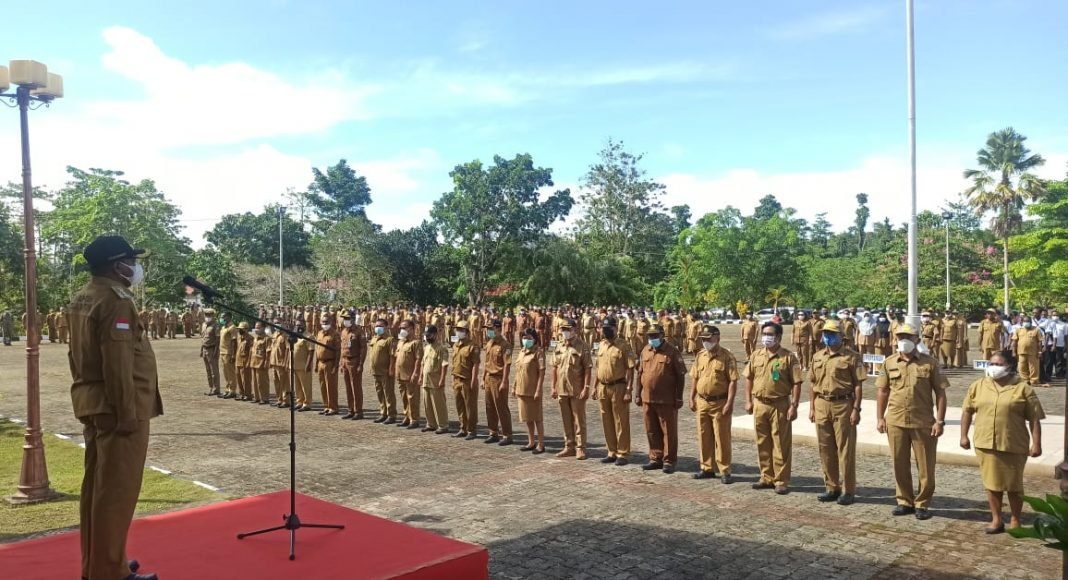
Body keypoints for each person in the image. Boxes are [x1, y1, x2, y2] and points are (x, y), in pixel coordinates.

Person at [67, 235, 161, 580]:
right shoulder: (115, 301)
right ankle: (109, 573)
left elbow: (75, 357)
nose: (136, 268)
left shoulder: (83, 297)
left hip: (93, 403)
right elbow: (117, 363)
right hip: (120, 408)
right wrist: (126, 414)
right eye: (131, 262)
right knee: (115, 494)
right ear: (116, 264)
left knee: (97, 490)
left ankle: (102, 564)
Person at [960, 350, 1045, 534]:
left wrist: (1036, 443)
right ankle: (996, 519)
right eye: (991, 363)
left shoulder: (1023, 388)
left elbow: (1034, 419)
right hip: (985, 443)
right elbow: (967, 411)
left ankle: (1015, 519)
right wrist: (964, 435)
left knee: (1013, 485)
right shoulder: (978, 386)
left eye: (998, 364)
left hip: (1013, 443)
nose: (993, 368)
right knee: (992, 484)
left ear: (1009, 367)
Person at [875, 323, 948, 520]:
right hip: (896, 420)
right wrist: (880, 418)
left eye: (908, 336)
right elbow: (882, 391)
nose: (903, 340)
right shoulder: (889, 362)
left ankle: (922, 503)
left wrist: (939, 421)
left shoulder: (930, 363)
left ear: (917, 339)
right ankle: (904, 500)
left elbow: (941, 393)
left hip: (922, 422)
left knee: (925, 466)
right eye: (900, 337)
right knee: (899, 462)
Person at [808, 320, 865, 506]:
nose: (828, 336)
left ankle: (848, 490)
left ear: (842, 336)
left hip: (844, 404)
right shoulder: (817, 356)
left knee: (845, 450)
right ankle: (831, 487)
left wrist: (856, 408)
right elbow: (813, 384)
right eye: (826, 333)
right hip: (822, 403)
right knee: (825, 449)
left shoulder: (852, 357)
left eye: (832, 333)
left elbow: (858, 385)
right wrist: (811, 407)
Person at [745, 321, 803, 494]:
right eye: (764, 334)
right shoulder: (756, 355)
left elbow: (797, 383)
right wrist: (748, 401)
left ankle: (781, 480)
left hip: (780, 404)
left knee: (781, 444)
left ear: (778, 337)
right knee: (762, 442)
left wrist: (794, 405)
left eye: (770, 334)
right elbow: (749, 378)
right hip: (760, 404)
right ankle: (766, 476)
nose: (766, 337)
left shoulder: (788, 357)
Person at [636, 323, 687, 473]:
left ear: (662, 335)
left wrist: (679, 397)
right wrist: (637, 394)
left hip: (667, 399)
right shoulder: (645, 350)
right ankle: (655, 458)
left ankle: (669, 460)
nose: (652, 339)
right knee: (651, 430)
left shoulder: (672, 351)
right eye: (650, 336)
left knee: (668, 431)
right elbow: (640, 374)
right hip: (648, 398)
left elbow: (681, 376)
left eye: (654, 336)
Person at [689, 325, 737, 483]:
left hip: (719, 403)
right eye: (703, 339)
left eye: (708, 338)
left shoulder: (727, 356)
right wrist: (692, 396)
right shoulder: (700, 355)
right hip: (702, 401)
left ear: (717, 337)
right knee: (704, 436)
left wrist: (729, 402)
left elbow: (732, 381)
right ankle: (706, 467)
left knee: (721, 438)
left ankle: (724, 470)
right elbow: (695, 377)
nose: (705, 342)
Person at [594, 321, 635, 466]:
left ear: (616, 328)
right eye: (604, 329)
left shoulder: (623, 345)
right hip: (603, 387)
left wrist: (629, 390)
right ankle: (611, 451)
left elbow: (630, 369)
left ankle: (622, 453)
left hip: (618, 387)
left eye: (609, 328)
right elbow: (598, 368)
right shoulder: (602, 345)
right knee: (607, 420)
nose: (606, 332)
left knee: (620, 421)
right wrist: (594, 387)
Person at [551, 319, 592, 459]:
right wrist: (553, 386)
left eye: (568, 329)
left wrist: (586, 387)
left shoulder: (582, 346)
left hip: (576, 389)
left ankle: (580, 447)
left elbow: (587, 368)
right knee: (566, 418)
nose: (565, 332)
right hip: (562, 388)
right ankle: (569, 445)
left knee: (579, 419)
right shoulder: (559, 346)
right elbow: (555, 367)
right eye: (563, 329)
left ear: (575, 330)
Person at [513, 328, 546, 453]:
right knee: (527, 418)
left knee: (537, 418)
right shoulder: (522, 351)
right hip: (522, 389)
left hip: (533, 390)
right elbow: (518, 371)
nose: (526, 340)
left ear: (534, 339)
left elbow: (542, 372)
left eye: (529, 338)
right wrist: (514, 386)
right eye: (524, 338)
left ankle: (541, 444)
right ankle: (531, 442)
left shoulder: (538, 352)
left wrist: (538, 390)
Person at [482, 319, 514, 444]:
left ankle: (507, 435)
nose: (488, 331)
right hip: (489, 377)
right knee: (489, 407)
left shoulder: (506, 345)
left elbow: (507, 365)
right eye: (487, 329)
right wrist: (483, 377)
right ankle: (493, 432)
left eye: (491, 329)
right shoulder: (489, 343)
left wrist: (505, 381)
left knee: (501, 407)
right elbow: (486, 362)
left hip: (499, 378)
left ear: (498, 329)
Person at [451, 321, 481, 439]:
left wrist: (473, 380)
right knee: (460, 405)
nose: (458, 332)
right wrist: (453, 378)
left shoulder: (473, 346)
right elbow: (454, 363)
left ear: (467, 332)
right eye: (457, 330)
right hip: (457, 378)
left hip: (468, 380)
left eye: (461, 330)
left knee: (470, 406)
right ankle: (463, 427)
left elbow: (475, 365)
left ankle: (471, 430)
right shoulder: (456, 345)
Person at [420, 324, 451, 434]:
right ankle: (431, 424)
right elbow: (423, 363)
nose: (427, 337)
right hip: (426, 380)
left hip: (436, 380)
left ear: (435, 335)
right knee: (427, 403)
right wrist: (420, 376)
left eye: (429, 335)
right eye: (426, 335)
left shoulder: (441, 349)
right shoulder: (427, 347)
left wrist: (442, 379)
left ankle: (443, 425)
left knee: (439, 403)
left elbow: (444, 364)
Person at [394, 319, 423, 429]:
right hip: (400, 374)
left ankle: (414, 419)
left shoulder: (416, 343)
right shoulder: (401, 342)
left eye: (404, 328)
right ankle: (407, 416)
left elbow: (418, 359)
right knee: (404, 397)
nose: (402, 330)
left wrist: (416, 373)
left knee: (412, 397)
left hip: (410, 375)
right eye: (401, 328)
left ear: (412, 329)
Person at [368, 318, 397, 423]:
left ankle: (391, 414)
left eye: (380, 326)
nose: (378, 328)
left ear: (386, 327)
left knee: (388, 393)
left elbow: (392, 356)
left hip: (385, 371)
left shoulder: (390, 340)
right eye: (376, 326)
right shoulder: (374, 338)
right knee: (380, 393)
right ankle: (383, 412)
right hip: (376, 371)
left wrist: (391, 369)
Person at [340, 312, 367, 419]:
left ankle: (358, 411)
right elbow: (342, 348)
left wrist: (361, 364)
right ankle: (350, 409)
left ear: (352, 319)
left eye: (347, 318)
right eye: (344, 318)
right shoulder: (343, 331)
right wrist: (341, 363)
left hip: (354, 361)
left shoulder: (359, 331)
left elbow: (363, 348)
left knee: (356, 387)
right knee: (348, 387)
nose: (345, 320)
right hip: (345, 361)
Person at [316, 314, 341, 416]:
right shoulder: (319, 333)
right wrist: (316, 363)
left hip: (330, 363)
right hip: (321, 362)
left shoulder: (334, 334)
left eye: (326, 322)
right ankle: (326, 406)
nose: (324, 324)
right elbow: (318, 349)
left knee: (331, 386)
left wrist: (336, 365)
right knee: (323, 386)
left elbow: (338, 351)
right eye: (323, 322)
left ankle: (333, 407)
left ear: (331, 323)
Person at [1011, 316, 1043, 386]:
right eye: (1025, 321)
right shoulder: (1018, 330)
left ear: (1031, 322)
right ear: (1022, 322)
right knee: (1021, 367)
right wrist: (1013, 351)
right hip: (1021, 352)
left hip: (1033, 352)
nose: (1026, 323)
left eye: (1028, 321)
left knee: (1033, 368)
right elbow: (1014, 341)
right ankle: (1024, 380)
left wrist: (1040, 351)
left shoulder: (1036, 330)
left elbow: (1040, 341)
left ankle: (1034, 381)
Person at [292, 323, 315, 411]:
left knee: (306, 386)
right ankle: (299, 401)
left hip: (304, 365)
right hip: (294, 365)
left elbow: (311, 351)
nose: (299, 327)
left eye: (300, 325)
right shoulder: (295, 336)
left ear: (305, 325)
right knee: (297, 386)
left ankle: (307, 403)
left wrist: (308, 364)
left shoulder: (309, 336)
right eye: (297, 325)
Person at [269, 319, 291, 408]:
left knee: (284, 382)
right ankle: (279, 399)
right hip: (274, 362)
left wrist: (286, 362)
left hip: (281, 363)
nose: (276, 324)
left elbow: (287, 350)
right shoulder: (274, 334)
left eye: (278, 322)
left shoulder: (285, 336)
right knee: (276, 382)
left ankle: (286, 400)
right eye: (274, 323)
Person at [200, 308, 221, 396]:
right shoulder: (204, 325)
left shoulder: (216, 326)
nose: (207, 317)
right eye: (206, 315)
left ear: (212, 316)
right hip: (205, 349)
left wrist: (216, 351)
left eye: (209, 315)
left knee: (214, 371)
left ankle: (216, 389)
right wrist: (201, 350)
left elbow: (217, 339)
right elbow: (203, 338)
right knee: (208, 370)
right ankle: (211, 387)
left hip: (212, 349)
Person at [250, 323, 271, 404]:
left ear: (263, 328)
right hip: (254, 362)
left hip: (261, 363)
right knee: (255, 382)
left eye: (258, 328)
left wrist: (266, 362)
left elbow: (268, 352)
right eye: (255, 327)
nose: (256, 329)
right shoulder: (255, 338)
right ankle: (257, 397)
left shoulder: (266, 339)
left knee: (262, 382)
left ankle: (264, 398)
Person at [219, 313, 238, 399]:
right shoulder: (223, 327)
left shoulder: (232, 328)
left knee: (231, 372)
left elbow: (234, 342)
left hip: (229, 352)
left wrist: (233, 354)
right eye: (221, 317)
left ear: (229, 317)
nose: (222, 318)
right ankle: (227, 389)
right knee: (225, 373)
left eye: (224, 317)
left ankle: (232, 390)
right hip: (222, 352)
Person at [235, 322, 253, 401]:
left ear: (246, 329)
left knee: (245, 379)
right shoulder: (239, 337)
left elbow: (251, 352)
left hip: (245, 361)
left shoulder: (250, 338)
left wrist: (249, 362)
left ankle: (248, 394)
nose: (239, 330)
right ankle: (241, 393)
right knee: (239, 379)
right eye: (239, 329)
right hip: (238, 361)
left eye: (241, 329)